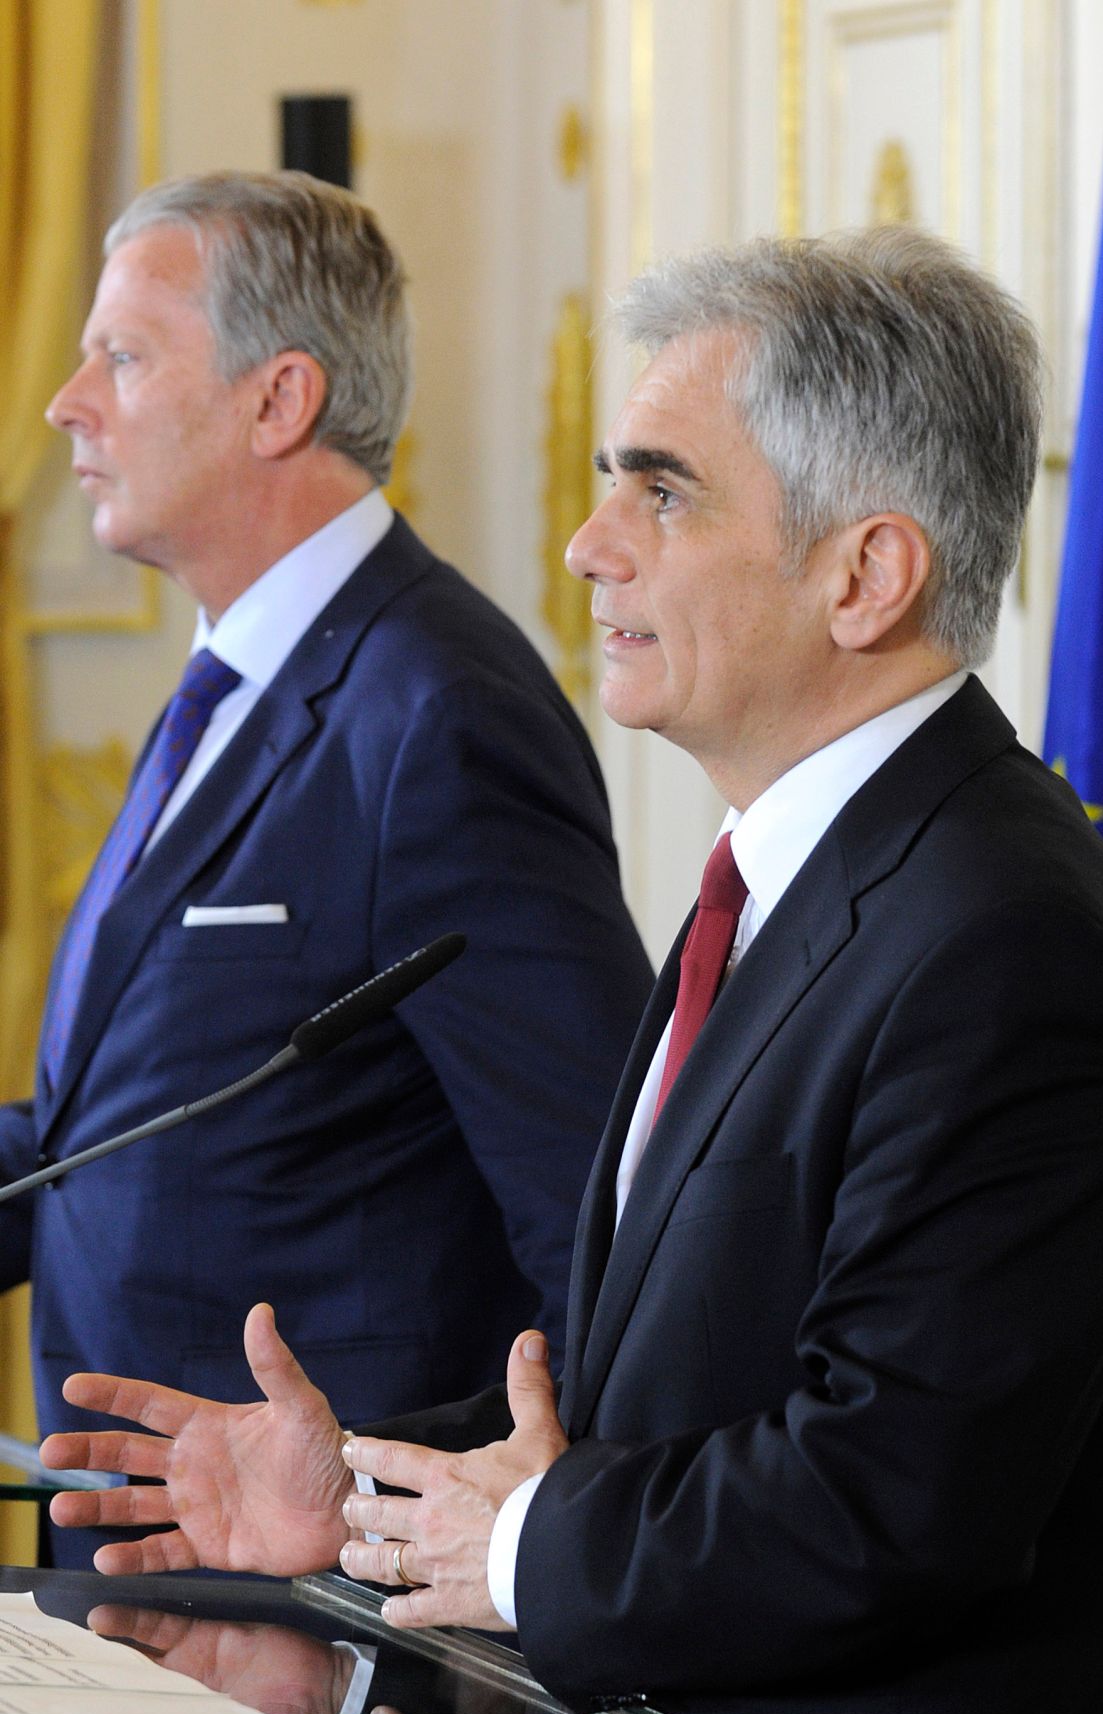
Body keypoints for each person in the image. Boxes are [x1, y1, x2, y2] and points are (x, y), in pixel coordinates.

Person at [43, 226, 1103, 1714]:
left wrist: (513, 1542)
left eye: (661, 491)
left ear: (864, 573)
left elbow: (886, 1501)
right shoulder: (785, 883)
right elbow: (640, 1407)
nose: (590, 547)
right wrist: (362, 1537)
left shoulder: (1010, 945)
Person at [5, 170, 653, 1568]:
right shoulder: (235, 680)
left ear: (277, 400)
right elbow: (102, 1134)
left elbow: (594, 1221)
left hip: (320, 1613)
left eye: (122, 355)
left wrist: (464, 1568)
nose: (68, 402)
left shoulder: (439, 713)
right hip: (151, 1586)